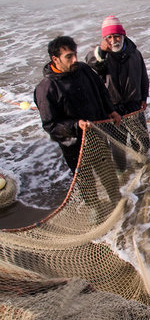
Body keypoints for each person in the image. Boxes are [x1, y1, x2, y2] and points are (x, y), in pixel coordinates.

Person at [34, 36, 121, 208]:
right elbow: (51, 125)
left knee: (108, 174)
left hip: (97, 134)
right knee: (85, 180)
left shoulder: (83, 70)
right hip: (74, 145)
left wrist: (111, 110)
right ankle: (95, 209)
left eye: (74, 54)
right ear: (55, 59)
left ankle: (118, 203)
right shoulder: (46, 89)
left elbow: (101, 90)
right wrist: (75, 126)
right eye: (68, 56)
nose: (75, 59)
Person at [86, 15, 150, 154]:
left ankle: (144, 165)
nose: (114, 41)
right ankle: (122, 172)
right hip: (111, 108)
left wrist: (144, 97)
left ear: (123, 35)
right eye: (109, 37)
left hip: (134, 104)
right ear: (104, 39)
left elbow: (143, 77)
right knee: (117, 144)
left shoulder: (135, 53)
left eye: (117, 36)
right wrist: (102, 52)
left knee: (142, 140)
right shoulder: (98, 55)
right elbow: (94, 64)